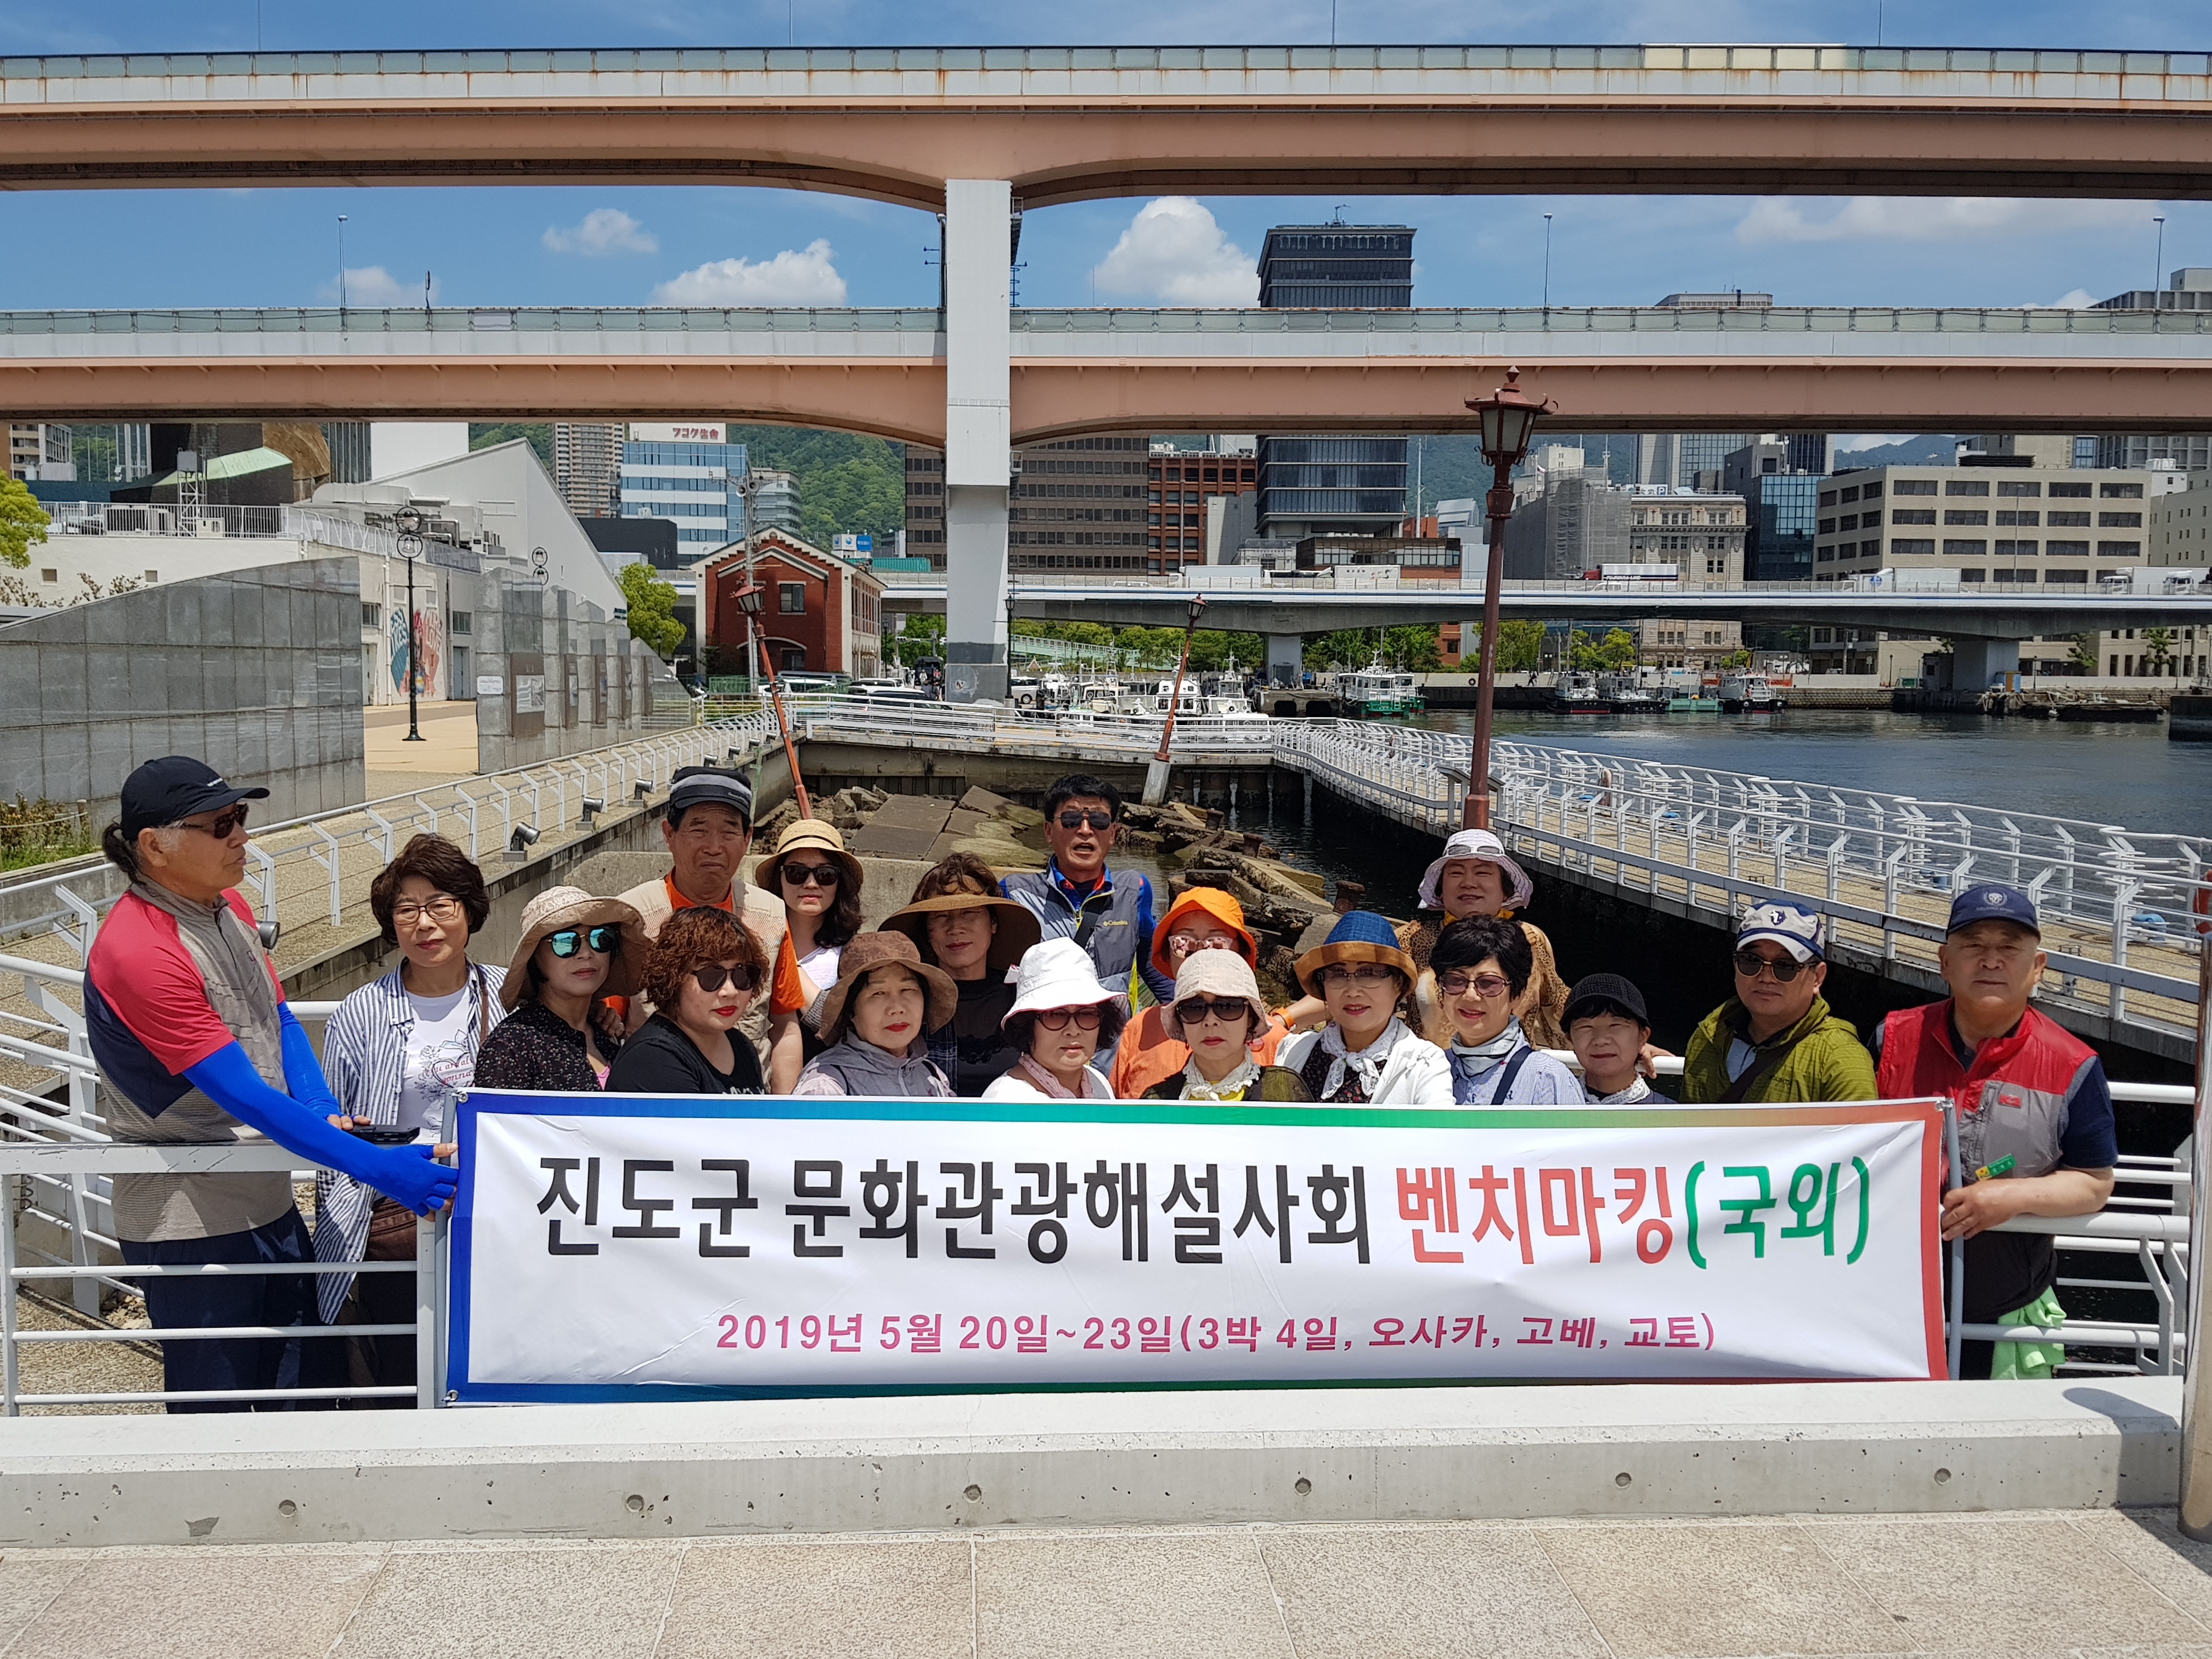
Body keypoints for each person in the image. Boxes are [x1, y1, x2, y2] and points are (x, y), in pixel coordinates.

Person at [84, 757, 457, 1412]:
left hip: (270, 1199)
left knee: (307, 1392)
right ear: (155, 845)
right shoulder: (138, 949)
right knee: (217, 1411)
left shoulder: (227, 904)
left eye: (242, 817)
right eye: (220, 823)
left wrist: (316, 1103)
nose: (241, 836)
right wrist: (379, 1169)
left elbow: (275, 1014)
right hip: (189, 1218)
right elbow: (243, 1093)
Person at [1875, 883, 2118, 1380]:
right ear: (1945, 961)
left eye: (2009, 948)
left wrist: (2013, 1196)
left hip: (2003, 1307)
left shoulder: (2074, 1065)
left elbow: (2094, 1183)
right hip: (1885, 1296)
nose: (1991, 961)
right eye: (1974, 946)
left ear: (2038, 967)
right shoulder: (1891, 1038)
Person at [314, 834, 503, 1404]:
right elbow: (332, 1129)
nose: (425, 924)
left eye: (440, 905)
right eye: (406, 910)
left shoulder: (506, 994)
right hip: (394, 1221)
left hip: (490, 1216)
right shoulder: (362, 1011)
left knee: (483, 1369)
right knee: (402, 1373)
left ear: (469, 911)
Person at [614, 766, 787, 1059]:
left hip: (749, 1094)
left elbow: (785, 1026)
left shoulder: (770, 914)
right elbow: (605, 1023)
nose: (714, 847)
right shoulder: (630, 918)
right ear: (670, 834)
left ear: (747, 839)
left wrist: (783, 1104)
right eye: (699, 829)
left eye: (729, 830)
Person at [1000, 773, 1175, 1006]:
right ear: (1049, 831)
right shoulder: (1015, 894)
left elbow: (1152, 966)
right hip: (1047, 1037)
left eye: (1099, 821)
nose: (1085, 830)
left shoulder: (1135, 891)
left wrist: (1192, 1012)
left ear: (1113, 833)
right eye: (1071, 819)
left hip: (1116, 1040)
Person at [1679, 902, 1877, 1104]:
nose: (1766, 977)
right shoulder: (1709, 1036)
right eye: (1751, 960)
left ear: (1817, 977)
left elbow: (1862, 1135)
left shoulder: (1842, 1062)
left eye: (1785, 966)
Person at [1109, 886, 1295, 1099]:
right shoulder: (1139, 1029)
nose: (1200, 954)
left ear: (1241, 955)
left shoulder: (1275, 1040)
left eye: (1216, 943)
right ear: (1169, 955)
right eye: (1183, 943)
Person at [881, 854, 1042, 1098]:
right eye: (941, 917)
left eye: (969, 913)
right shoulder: (907, 1002)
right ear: (927, 932)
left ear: (993, 923)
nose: (955, 928)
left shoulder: (1026, 1003)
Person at [1401, 828, 1569, 1050]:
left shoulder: (1530, 939)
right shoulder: (1411, 939)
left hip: (1511, 1075)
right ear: (1441, 888)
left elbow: (1557, 1010)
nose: (1469, 882)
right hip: (1429, 1077)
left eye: (1483, 873)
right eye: (1456, 873)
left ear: (1505, 889)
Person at [474, 888, 647, 1092]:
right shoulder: (510, 1045)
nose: (586, 953)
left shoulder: (605, 1032)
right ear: (534, 957)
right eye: (565, 942)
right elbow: (491, 1121)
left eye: (600, 938)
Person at [1277, 912, 1453, 1105]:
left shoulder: (1425, 1066)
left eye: (1370, 973)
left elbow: (1439, 1130)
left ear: (1398, 984)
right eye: (1338, 974)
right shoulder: (1293, 1051)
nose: (1353, 991)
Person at [603, 906, 768, 1094]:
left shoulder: (741, 1045)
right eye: (712, 976)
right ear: (674, 979)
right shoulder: (654, 1058)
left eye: (743, 974)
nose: (730, 991)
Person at [759, 819, 865, 1092]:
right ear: (778, 879)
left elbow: (841, 1027)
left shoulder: (855, 954)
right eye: (796, 873)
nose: (810, 884)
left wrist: (787, 967)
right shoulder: (750, 947)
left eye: (825, 875)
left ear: (840, 883)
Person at [1432, 916, 1583, 1105]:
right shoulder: (1429, 1071)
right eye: (1456, 980)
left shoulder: (1547, 1079)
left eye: (1488, 983)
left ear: (1517, 995)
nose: (1470, 995)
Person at [792, 932, 956, 1097]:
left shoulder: (932, 1077)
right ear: (851, 1010)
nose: (897, 1008)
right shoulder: (828, 1087)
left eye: (907, 990)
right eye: (878, 993)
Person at [1142, 949, 1311, 1102]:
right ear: (1180, 1020)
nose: (1210, 1020)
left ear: (1250, 1018)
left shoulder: (1286, 1093)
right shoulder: (1157, 1102)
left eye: (1228, 1006)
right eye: (1194, 1008)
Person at [981, 939, 1126, 1101]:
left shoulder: (1099, 1083)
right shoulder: (1007, 1100)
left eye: (1086, 1014)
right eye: (1056, 1015)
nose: (1073, 1030)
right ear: (1027, 1026)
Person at [1565, 974, 1671, 1104]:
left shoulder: (1674, 1117)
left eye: (1616, 1025)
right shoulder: (1549, 1104)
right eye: (1586, 1027)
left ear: (1642, 1037)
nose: (1601, 1040)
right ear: (1570, 1039)